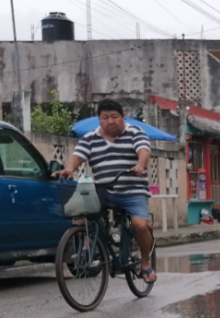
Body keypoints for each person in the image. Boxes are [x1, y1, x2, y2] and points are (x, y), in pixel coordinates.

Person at [52, 99, 156, 283]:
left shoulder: (135, 132)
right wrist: (69, 169)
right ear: (99, 119)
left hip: (133, 191)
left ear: (123, 117)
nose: (110, 121)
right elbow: (77, 156)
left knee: (140, 225)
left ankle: (146, 262)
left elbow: (144, 150)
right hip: (103, 192)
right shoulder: (90, 138)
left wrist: (140, 165)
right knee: (80, 211)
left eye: (114, 116)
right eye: (105, 117)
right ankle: (90, 243)